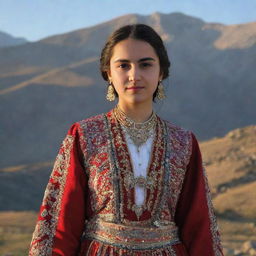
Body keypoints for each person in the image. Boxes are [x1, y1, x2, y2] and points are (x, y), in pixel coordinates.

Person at [29, 24, 223, 256]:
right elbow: (61, 221)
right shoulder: (84, 135)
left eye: (146, 64)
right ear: (108, 73)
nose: (134, 75)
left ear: (161, 72)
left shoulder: (184, 142)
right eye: (123, 65)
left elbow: (199, 226)